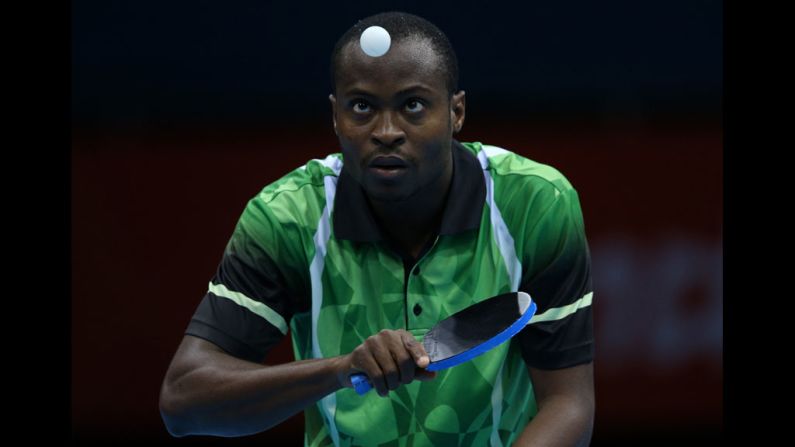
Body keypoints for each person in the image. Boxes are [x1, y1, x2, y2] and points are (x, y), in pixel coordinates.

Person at [159, 11, 594, 446]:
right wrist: (341, 369)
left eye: (413, 105)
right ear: (335, 116)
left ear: (456, 112)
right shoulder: (288, 217)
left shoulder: (532, 203)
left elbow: (568, 403)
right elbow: (184, 401)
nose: (386, 132)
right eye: (362, 107)